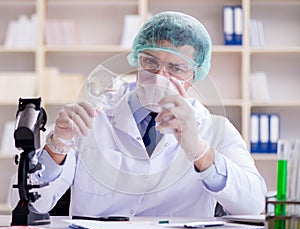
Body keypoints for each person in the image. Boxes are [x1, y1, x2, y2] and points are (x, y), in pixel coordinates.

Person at [11, 11, 267, 217]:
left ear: (194, 75)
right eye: (150, 62)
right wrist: (57, 147)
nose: (160, 77)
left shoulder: (216, 129)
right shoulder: (91, 114)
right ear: (136, 59)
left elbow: (253, 205)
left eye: (176, 68)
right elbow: (26, 204)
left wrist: (201, 152)